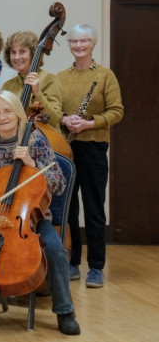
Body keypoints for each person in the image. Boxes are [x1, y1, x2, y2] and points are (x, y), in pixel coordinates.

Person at [0, 91, 80, 336]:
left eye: (7, 111)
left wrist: (32, 163)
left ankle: (64, 310)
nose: (2, 117)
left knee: (54, 249)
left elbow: (59, 184)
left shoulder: (37, 142)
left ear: (18, 114)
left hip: (31, 219)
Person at [57, 23, 124, 287]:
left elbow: (117, 111)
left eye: (84, 41)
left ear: (92, 44)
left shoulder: (105, 75)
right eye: (74, 41)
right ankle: (72, 262)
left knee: (94, 209)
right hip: (67, 148)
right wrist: (64, 119)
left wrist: (89, 123)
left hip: (94, 147)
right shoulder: (61, 77)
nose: (79, 45)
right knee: (69, 208)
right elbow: (53, 109)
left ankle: (96, 267)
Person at [0, 30, 63, 128]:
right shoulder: (8, 85)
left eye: (22, 51)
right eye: (13, 52)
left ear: (33, 54)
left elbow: (55, 119)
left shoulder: (49, 79)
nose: (17, 57)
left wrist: (38, 93)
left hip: (45, 139)